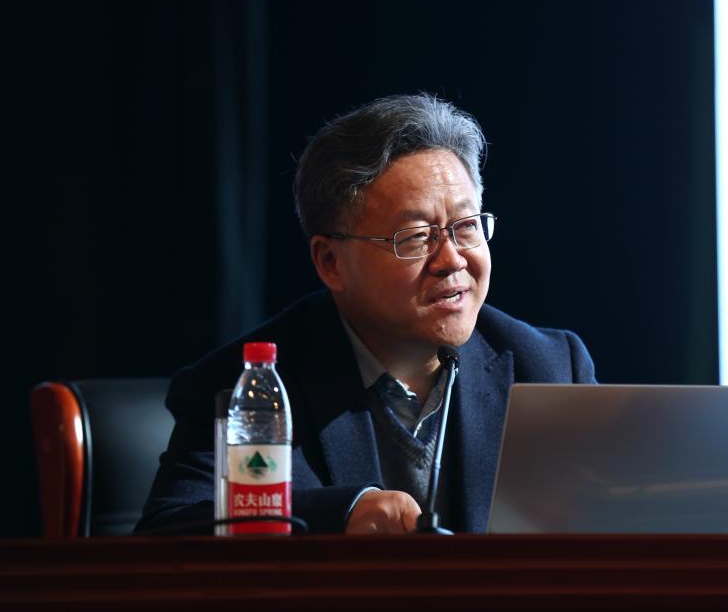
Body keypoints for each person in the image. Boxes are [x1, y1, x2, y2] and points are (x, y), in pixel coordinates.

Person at [137, 93, 596, 535]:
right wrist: (341, 515)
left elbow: (611, 522)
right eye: (415, 237)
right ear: (331, 263)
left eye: (466, 227)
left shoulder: (548, 368)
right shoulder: (247, 385)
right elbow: (171, 529)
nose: (451, 259)